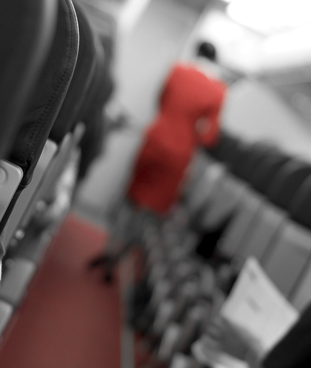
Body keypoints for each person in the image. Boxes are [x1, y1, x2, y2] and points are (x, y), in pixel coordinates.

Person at [88, 41, 228, 283]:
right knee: (149, 212)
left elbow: (161, 102)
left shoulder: (177, 71)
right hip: (179, 155)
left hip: (154, 140)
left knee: (130, 198)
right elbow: (209, 136)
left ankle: (108, 250)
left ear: (196, 54)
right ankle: (117, 260)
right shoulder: (218, 91)